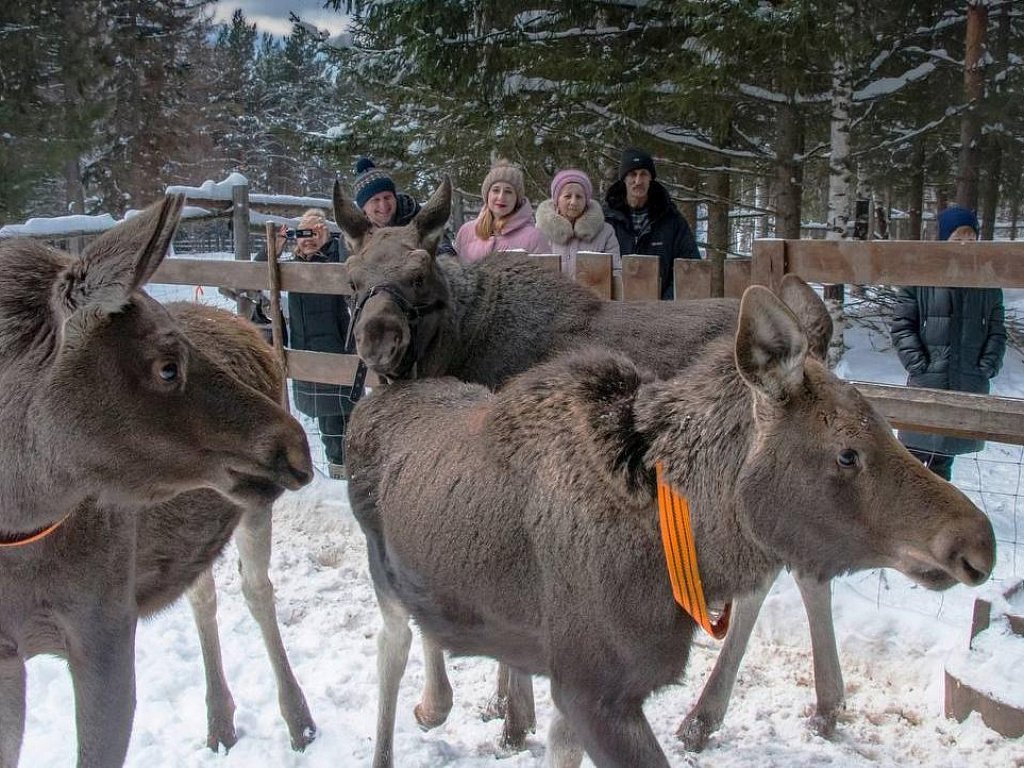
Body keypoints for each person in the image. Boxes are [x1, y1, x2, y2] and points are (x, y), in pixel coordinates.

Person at [890, 205, 1006, 480]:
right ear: (944, 240)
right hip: (927, 380)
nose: (965, 243)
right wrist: (918, 364)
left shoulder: (988, 281)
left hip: (966, 381)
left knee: (944, 461)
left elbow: (996, 329)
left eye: (970, 236)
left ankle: (937, 519)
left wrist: (987, 365)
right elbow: (902, 325)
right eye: (958, 236)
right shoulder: (920, 277)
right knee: (911, 459)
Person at [276, 207, 355, 480]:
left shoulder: (336, 256)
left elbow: (350, 267)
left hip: (337, 351)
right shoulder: (291, 265)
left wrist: (331, 241)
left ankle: (348, 473)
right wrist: (275, 247)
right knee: (328, 425)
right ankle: (339, 474)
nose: (308, 239)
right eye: (302, 233)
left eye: (314, 232)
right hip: (306, 353)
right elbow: (258, 271)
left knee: (346, 420)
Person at [603, 146, 700, 299]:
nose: (638, 181)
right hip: (616, 310)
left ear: (650, 178)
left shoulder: (672, 220)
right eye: (632, 174)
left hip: (661, 311)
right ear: (624, 179)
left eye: (643, 174)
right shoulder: (606, 220)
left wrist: (666, 303)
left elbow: (690, 266)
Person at [353, 157, 456, 253]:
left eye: (387, 197)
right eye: (375, 200)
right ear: (364, 208)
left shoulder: (414, 215)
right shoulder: (355, 232)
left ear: (395, 197)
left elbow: (443, 247)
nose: (383, 205)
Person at [455, 159, 550, 263]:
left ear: (517, 198)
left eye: (508, 192)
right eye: (496, 190)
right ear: (487, 195)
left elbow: (548, 276)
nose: (501, 197)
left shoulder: (535, 238)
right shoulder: (466, 232)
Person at [535, 168, 620, 277]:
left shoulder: (605, 233)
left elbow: (616, 271)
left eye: (579, 197)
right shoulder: (540, 232)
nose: (573, 202)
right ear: (557, 200)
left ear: (586, 200)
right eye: (567, 196)